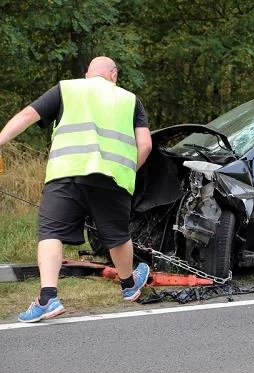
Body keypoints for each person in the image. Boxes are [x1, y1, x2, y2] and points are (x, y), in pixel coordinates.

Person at [0, 56, 153, 323]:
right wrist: (127, 170)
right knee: (116, 235)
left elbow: (27, 115)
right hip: (111, 178)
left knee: (50, 232)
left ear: (87, 75)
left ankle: (48, 297)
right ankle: (129, 286)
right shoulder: (130, 99)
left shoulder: (67, 88)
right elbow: (146, 144)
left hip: (65, 173)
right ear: (114, 75)